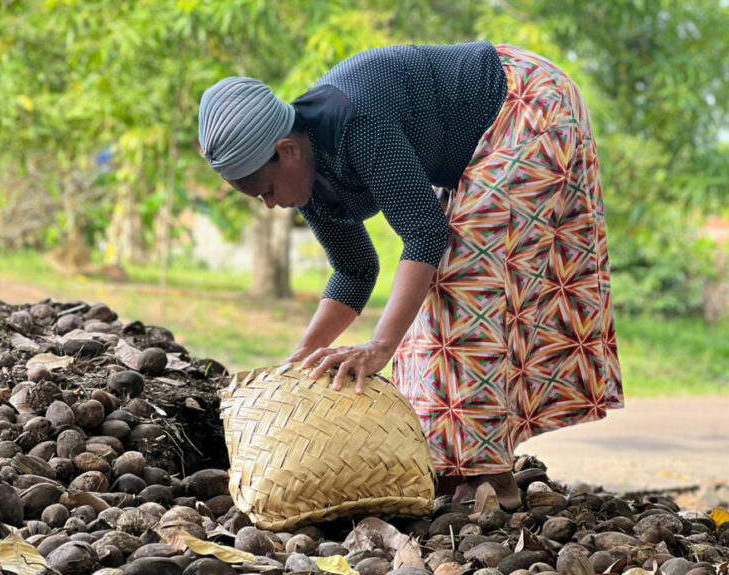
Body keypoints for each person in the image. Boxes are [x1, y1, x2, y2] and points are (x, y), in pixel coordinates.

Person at [198, 41, 623, 509]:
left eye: (267, 190)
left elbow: (424, 235)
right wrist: (300, 360)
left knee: (460, 271)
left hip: (530, 103)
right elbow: (355, 270)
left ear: (288, 150)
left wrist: (379, 347)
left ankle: (487, 473)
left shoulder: (356, 120)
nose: (272, 204)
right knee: (432, 284)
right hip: (491, 133)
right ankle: (451, 459)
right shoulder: (310, 184)